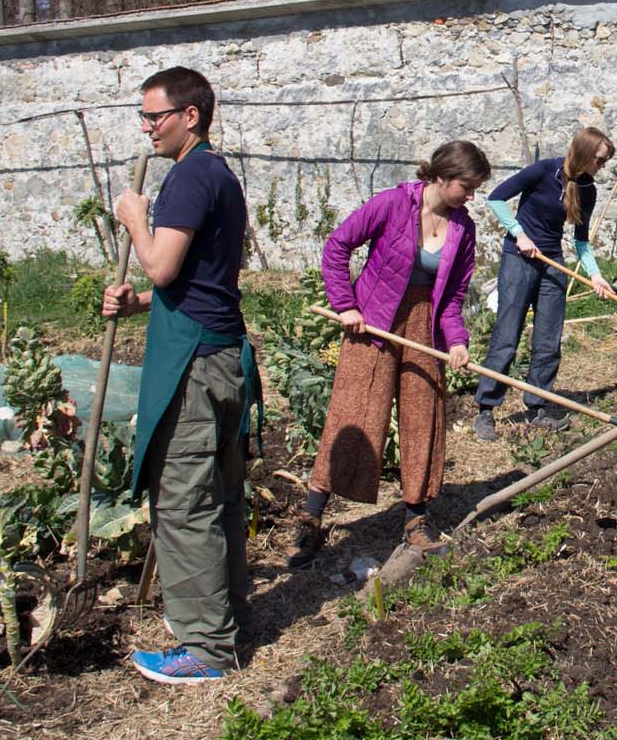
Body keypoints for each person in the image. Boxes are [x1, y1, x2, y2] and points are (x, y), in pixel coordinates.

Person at [102, 66, 261, 684]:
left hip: (195, 366)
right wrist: (138, 302)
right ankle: (227, 611)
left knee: (184, 500)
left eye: (154, 116)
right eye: (142, 117)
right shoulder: (219, 174)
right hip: (221, 350)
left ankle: (206, 648)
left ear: (188, 116)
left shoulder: (191, 176)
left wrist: (135, 218)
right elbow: (202, 280)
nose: (145, 128)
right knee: (221, 494)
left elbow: (164, 266)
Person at [288, 141, 490, 568]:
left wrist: (455, 340)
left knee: (423, 416)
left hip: (424, 329)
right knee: (354, 413)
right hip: (374, 322)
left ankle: (416, 519)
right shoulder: (392, 204)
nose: (471, 197)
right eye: (466, 186)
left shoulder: (463, 230)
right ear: (440, 176)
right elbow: (338, 246)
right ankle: (311, 516)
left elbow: (452, 297)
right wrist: (346, 305)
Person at [472, 128, 616, 441]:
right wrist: (519, 234)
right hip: (518, 260)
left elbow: (581, 240)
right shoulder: (542, 171)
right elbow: (496, 198)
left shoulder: (587, 189)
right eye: (601, 160)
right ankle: (486, 407)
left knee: (549, 339)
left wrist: (595, 275)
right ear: (585, 152)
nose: (602, 166)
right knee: (507, 334)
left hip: (552, 261)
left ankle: (537, 405)